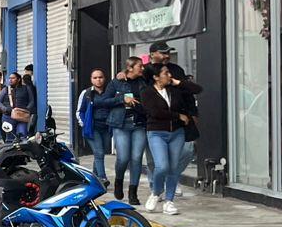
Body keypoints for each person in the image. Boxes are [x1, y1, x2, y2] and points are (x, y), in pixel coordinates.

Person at [138, 61, 202, 216]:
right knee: (162, 166)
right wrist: (177, 115)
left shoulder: (174, 89)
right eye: (165, 73)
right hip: (157, 133)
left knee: (173, 168)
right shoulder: (146, 92)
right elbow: (155, 112)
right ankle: (156, 192)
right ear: (156, 77)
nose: (169, 75)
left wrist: (178, 82)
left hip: (177, 133)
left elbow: (197, 89)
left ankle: (169, 201)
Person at [108, 57, 148, 204]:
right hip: (121, 124)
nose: (142, 68)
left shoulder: (144, 81)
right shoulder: (117, 82)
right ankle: (119, 181)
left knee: (136, 158)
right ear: (130, 68)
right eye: (139, 66)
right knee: (123, 158)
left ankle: (133, 192)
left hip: (139, 123)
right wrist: (121, 99)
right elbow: (103, 101)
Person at [75, 68, 118, 186]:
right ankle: (102, 178)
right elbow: (80, 111)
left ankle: (93, 178)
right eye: (95, 78)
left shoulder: (110, 92)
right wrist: (84, 124)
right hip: (92, 128)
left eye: (100, 77)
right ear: (91, 79)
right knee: (99, 152)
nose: (98, 80)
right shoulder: (87, 93)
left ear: (104, 78)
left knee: (100, 153)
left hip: (106, 127)